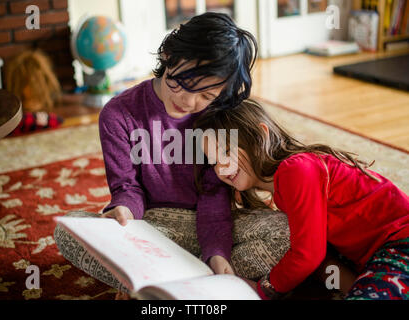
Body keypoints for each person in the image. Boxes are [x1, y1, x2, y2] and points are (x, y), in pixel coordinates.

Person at [55, 13, 294, 299]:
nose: (189, 102)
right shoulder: (118, 114)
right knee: (69, 232)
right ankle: (187, 281)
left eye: (206, 96)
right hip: (151, 227)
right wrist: (124, 212)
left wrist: (217, 253)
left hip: (211, 223)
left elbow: (213, 195)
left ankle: (170, 281)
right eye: (184, 83)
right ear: (168, 56)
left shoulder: (217, 116)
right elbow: (127, 188)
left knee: (285, 231)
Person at [193, 99, 409, 300]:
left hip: (400, 241)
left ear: (261, 135)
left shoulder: (295, 169)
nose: (221, 168)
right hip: (372, 253)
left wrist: (264, 289)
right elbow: (317, 256)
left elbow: (307, 255)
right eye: (213, 162)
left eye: (226, 152)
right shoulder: (283, 187)